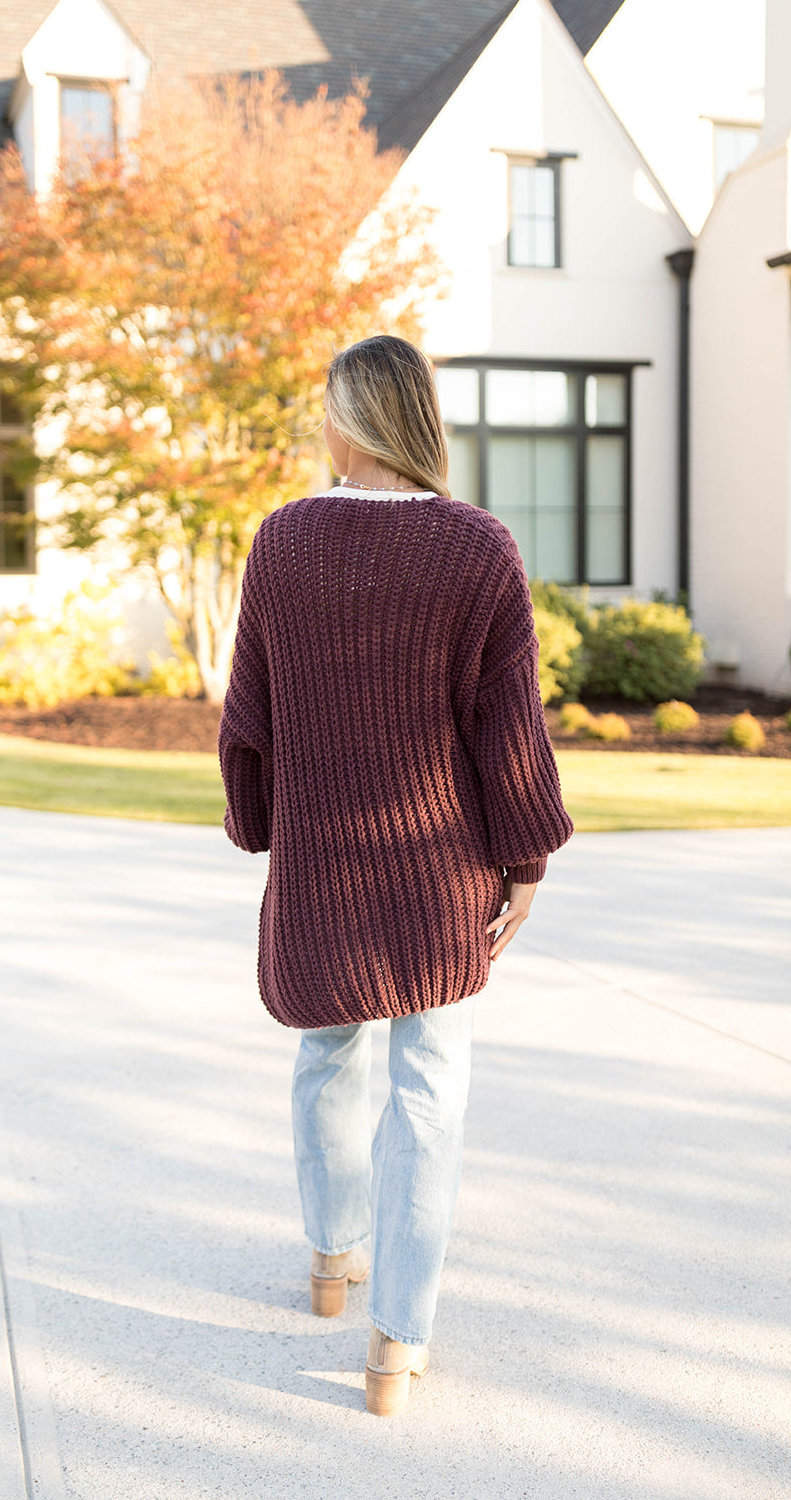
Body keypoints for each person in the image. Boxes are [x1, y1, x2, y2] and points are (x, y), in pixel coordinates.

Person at [218, 335, 574, 1416]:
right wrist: (523, 860)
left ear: (347, 420)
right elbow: (506, 728)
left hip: (325, 860)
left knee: (327, 1055)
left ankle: (332, 1263)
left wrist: (263, 832)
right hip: (439, 873)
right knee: (428, 1090)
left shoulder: (281, 543)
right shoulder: (478, 550)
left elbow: (249, 724)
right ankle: (394, 1350)